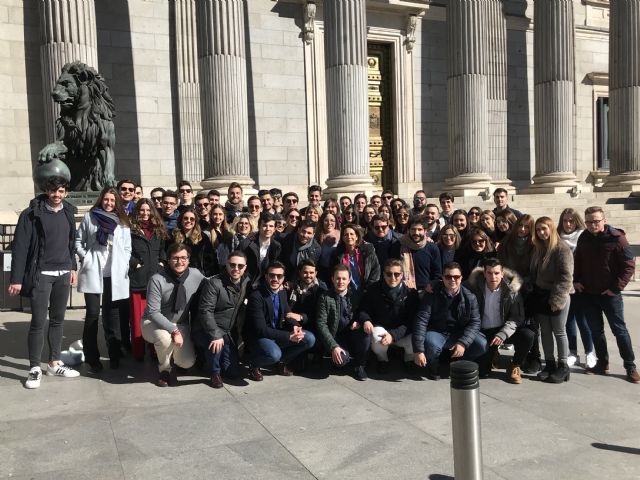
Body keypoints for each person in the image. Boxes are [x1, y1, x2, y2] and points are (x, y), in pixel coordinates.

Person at [9, 176, 80, 388]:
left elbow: (70, 243)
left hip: (63, 273)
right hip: (41, 274)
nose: (57, 195)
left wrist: (72, 266)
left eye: (61, 191)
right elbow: (20, 248)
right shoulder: (32, 214)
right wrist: (17, 279)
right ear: (46, 191)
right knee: (38, 321)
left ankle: (54, 362)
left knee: (58, 320)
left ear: (66, 192)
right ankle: (34, 368)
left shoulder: (68, 211)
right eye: (53, 191)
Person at [574, 206, 639, 383]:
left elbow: (628, 266)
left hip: (610, 295)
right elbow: (577, 261)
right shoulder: (584, 237)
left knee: (619, 330)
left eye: (596, 221)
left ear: (604, 220)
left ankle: (630, 366)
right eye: (588, 221)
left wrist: (615, 288)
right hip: (589, 293)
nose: (592, 224)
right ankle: (602, 363)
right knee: (596, 331)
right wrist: (576, 280)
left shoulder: (617, 238)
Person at [76, 186, 132, 371]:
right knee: (92, 315)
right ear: (101, 199)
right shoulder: (90, 217)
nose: (109, 203)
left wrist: (123, 264)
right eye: (106, 199)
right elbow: (78, 241)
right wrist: (85, 257)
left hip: (113, 273)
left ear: (117, 202)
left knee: (112, 316)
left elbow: (127, 248)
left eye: (112, 200)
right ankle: (92, 357)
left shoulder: (123, 222)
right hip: (94, 270)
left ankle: (114, 354)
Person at [141, 243, 205, 387]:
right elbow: (153, 312)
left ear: (189, 260)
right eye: (175, 258)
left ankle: (171, 355)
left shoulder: (195, 274)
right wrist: (173, 330)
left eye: (183, 258)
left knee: (187, 362)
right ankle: (165, 370)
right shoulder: (157, 279)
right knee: (164, 338)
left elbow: (211, 285)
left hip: (181, 323)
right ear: (168, 260)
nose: (179, 262)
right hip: (152, 322)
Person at [412, 262, 486, 380]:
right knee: (430, 342)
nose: (452, 279)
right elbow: (421, 320)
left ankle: (460, 364)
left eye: (456, 277)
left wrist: (463, 342)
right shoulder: (432, 293)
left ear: (461, 278)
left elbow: (475, 322)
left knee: (481, 344)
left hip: (459, 333)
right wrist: (418, 350)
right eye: (448, 276)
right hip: (438, 332)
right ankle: (433, 365)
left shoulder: (470, 297)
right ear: (443, 278)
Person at [466, 258, 534, 384]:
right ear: (484, 273)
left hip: (502, 330)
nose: (493, 276)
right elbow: (454, 286)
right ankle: (492, 354)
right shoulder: (473, 286)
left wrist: (503, 333)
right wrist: (432, 284)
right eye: (489, 273)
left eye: (497, 273)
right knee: (482, 373)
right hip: (483, 332)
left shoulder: (512, 290)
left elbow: (516, 318)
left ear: (502, 274)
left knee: (528, 335)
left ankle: (515, 365)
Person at [244, 262, 316, 380]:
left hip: (276, 333)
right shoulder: (256, 296)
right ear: (266, 276)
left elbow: (288, 313)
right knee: (274, 354)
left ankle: (281, 361)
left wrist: (295, 326)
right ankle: (254, 364)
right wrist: (289, 336)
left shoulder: (282, 292)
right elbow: (261, 330)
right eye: (272, 275)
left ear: (283, 278)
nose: (275, 279)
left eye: (279, 276)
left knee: (309, 339)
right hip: (259, 337)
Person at [196, 251, 251, 388]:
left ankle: (206, 356)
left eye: (240, 266)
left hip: (227, 331)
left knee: (233, 373)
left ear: (245, 267)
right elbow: (205, 311)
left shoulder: (246, 282)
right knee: (216, 343)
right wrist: (215, 334)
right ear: (226, 265)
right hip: (206, 329)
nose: (236, 269)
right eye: (232, 265)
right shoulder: (214, 283)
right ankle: (215, 373)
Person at [530, 216, 574, 383]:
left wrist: (557, 300)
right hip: (541, 294)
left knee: (559, 331)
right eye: (538, 230)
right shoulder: (539, 248)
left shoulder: (562, 248)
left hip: (558, 295)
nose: (541, 233)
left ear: (551, 228)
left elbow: (566, 276)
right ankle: (549, 363)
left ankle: (563, 365)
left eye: (544, 229)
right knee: (545, 332)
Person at [358, 259, 420, 373]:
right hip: (382, 328)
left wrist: (393, 335)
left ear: (402, 275)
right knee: (376, 339)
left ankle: (408, 359)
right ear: (383, 274)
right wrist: (366, 320)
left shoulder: (411, 293)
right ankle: (383, 360)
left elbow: (412, 321)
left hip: (402, 330)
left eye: (396, 274)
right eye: (389, 274)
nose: (393, 277)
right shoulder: (374, 289)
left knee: (415, 338)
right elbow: (363, 309)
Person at [128, 198, 168, 361]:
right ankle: (138, 352)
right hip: (138, 280)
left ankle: (154, 350)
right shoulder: (130, 230)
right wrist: (134, 263)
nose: (145, 214)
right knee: (138, 320)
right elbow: (124, 251)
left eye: (148, 210)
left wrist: (162, 262)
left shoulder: (159, 230)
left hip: (156, 280)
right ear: (137, 212)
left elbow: (164, 250)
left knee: (155, 318)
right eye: (141, 211)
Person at [316, 264, 370, 380]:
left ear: (349, 280)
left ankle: (360, 365)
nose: (341, 281)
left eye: (344, 278)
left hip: (352, 334)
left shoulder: (356, 295)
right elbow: (322, 324)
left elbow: (362, 312)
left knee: (366, 336)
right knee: (341, 361)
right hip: (336, 337)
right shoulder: (325, 298)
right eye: (338, 278)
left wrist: (360, 322)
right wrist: (333, 346)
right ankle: (340, 357)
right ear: (332, 279)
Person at [557, 208, 595, 368]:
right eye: (565, 220)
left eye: (571, 220)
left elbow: (588, 263)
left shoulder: (584, 237)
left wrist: (578, 281)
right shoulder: (557, 237)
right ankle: (572, 352)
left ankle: (590, 353)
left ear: (577, 221)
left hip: (581, 285)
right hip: (565, 285)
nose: (568, 224)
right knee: (568, 321)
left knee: (583, 321)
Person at [391, 217, 442, 291]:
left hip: (425, 291)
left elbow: (437, 273)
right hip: (403, 291)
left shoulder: (432, 248)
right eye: (413, 229)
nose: (416, 233)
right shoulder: (398, 245)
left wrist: (431, 285)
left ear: (425, 231)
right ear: (408, 230)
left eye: (420, 229)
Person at [330, 224, 380, 293]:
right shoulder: (337, 254)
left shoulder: (368, 251)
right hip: (345, 292)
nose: (349, 237)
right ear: (343, 238)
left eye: (351, 234)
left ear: (356, 237)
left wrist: (369, 289)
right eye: (346, 235)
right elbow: (333, 273)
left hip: (366, 291)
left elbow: (375, 270)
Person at [240, 212, 282, 288]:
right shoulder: (246, 244)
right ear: (259, 227)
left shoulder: (276, 246)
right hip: (247, 284)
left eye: (271, 226)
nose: (268, 229)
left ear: (275, 228)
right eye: (264, 225)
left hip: (266, 285)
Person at [171, 209, 217, 276]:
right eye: (186, 218)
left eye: (192, 219)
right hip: (176, 274)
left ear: (195, 222)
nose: (188, 221)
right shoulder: (173, 236)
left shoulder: (202, 237)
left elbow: (210, 259)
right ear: (181, 220)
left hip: (197, 275)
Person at [288, 259, 328, 335]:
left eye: (311, 273)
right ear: (300, 272)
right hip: (292, 324)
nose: (308, 275)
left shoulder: (321, 290)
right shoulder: (293, 287)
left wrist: (302, 317)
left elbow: (321, 314)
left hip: (312, 327)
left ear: (316, 273)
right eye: (305, 272)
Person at [316, 211, 340, 282]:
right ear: (322, 222)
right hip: (322, 272)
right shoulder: (317, 236)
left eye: (332, 220)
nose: (329, 223)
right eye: (326, 220)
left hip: (338, 271)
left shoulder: (341, 234)